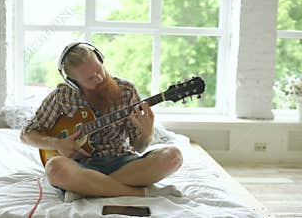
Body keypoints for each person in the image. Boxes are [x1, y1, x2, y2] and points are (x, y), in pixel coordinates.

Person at [20, 42, 183, 202]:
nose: (99, 78)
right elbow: (26, 134)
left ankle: (88, 189)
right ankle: (140, 193)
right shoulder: (62, 96)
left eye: (99, 69)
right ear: (73, 82)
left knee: (173, 156)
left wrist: (147, 133)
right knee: (54, 169)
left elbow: (139, 147)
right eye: (90, 78)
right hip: (80, 167)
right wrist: (56, 143)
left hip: (123, 163)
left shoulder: (126, 91)